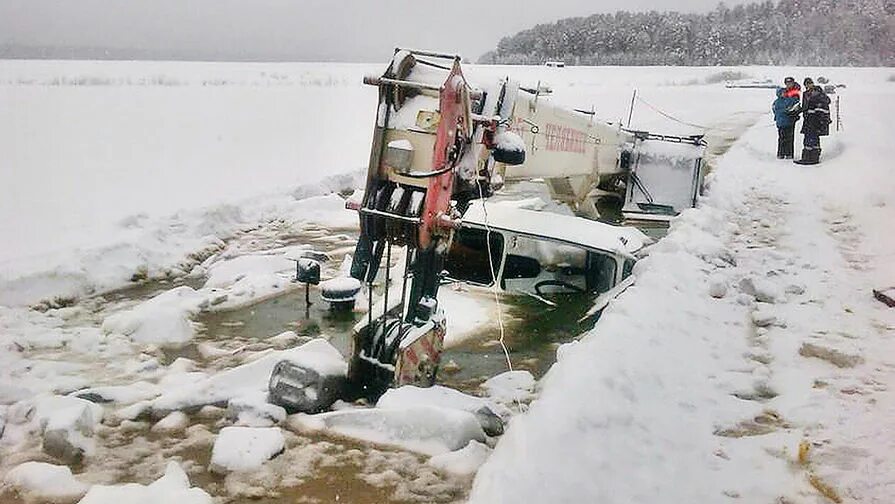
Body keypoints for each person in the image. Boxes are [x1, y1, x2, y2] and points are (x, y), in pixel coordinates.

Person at [794, 77, 831, 165]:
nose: (808, 85)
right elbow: (805, 106)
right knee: (808, 138)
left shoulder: (818, 92)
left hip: (816, 120)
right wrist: (797, 111)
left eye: (809, 83)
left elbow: (826, 102)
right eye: (806, 84)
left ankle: (813, 158)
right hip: (808, 119)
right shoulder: (805, 94)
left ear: (812, 83)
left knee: (813, 139)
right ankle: (807, 157)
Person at [772, 77, 801, 159]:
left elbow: (795, 105)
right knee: (782, 137)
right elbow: (774, 108)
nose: (788, 84)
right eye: (787, 83)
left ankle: (789, 153)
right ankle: (781, 153)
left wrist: (793, 113)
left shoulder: (794, 93)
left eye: (790, 83)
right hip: (781, 121)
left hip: (789, 120)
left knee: (789, 138)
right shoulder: (778, 101)